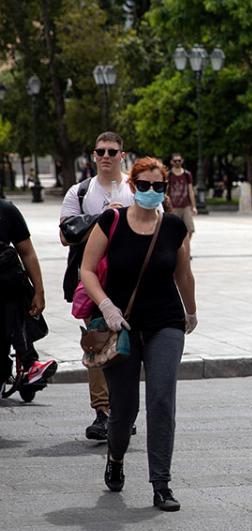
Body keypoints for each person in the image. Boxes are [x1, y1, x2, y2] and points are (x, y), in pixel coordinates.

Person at [80, 156, 197, 512]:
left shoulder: (174, 227)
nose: (150, 191)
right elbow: (87, 270)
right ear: (133, 187)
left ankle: (161, 483)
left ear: (164, 189)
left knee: (162, 400)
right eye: (143, 186)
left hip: (165, 323)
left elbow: (183, 274)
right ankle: (115, 458)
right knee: (124, 409)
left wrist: (190, 311)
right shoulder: (112, 220)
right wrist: (107, 307)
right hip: (122, 327)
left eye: (157, 187)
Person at [59, 131, 134, 441]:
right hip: (91, 279)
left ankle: (124, 410)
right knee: (96, 341)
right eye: (100, 151)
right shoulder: (79, 192)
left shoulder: (135, 187)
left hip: (130, 279)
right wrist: (101, 218)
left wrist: (124, 215)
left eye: (112, 151)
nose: (106, 156)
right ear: (92, 155)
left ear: (122, 154)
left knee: (128, 348)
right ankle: (103, 412)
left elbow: (153, 225)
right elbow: (66, 236)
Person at [0, 199, 57, 390]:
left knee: (16, 300)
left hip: (8, 289)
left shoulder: (6, 210)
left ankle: (29, 364)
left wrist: (39, 291)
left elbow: (27, 252)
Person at [166, 154, 197, 256]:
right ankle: (177, 249)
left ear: (182, 161)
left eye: (179, 160)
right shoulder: (169, 174)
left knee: (190, 229)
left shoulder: (187, 174)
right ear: (171, 162)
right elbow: (166, 190)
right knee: (173, 230)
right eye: (175, 161)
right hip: (173, 206)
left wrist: (194, 206)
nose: (177, 163)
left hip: (185, 205)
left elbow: (190, 190)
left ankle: (186, 249)